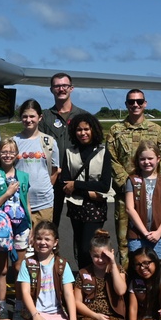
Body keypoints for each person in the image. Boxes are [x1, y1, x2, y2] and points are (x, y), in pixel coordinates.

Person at [106, 89, 161, 267]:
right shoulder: (116, 130)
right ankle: (127, 284)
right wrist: (129, 184)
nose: (135, 105)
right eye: (131, 102)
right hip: (125, 196)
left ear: (145, 103)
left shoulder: (156, 130)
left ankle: (155, 283)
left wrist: (156, 184)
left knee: (154, 239)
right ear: (126, 104)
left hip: (152, 196)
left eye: (139, 101)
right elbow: (111, 159)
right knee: (125, 242)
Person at [15, 221, 85, 320]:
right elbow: (25, 292)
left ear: (55, 242)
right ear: (33, 240)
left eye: (47, 239)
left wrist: (73, 319)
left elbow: (69, 294)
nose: (43, 242)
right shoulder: (27, 263)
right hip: (37, 312)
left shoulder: (62, 264)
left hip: (58, 313)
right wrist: (35, 315)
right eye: (39, 238)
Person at [0, 137, 31, 309]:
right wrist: (7, 193)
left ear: (17, 154)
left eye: (11, 151)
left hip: (21, 226)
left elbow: (26, 202)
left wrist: (30, 225)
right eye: (4, 151)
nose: (8, 155)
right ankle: (2, 304)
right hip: (0, 228)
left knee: (19, 268)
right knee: (2, 269)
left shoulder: (24, 176)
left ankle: (19, 303)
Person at [40, 73, 90, 230]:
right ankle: (52, 253)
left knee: (81, 225)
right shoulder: (45, 117)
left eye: (65, 86)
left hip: (77, 178)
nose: (61, 89)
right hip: (53, 178)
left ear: (71, 88)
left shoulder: (83, 115)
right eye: (57, 86)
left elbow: (91, 147)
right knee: (50, 224)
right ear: (51, 90)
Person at [62, 113, 111, 269]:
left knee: (89, 247)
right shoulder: (70, 152)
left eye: (86, 129)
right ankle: (84, 277)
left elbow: (104, 185)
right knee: (79, 246)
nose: (83, 133)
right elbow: (65, 182)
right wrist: (87, 189)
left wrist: (77, 185)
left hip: (95, 206)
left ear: (93, 130)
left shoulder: (103, 152)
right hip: (76, 206)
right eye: (79, 130)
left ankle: (97, 276)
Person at [73, 230, 128, 320]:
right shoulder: (84, 273)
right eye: (96, 256)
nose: (100, 260)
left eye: (104, 256)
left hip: (113, 316)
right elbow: (77, 302)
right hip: (91, 316)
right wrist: (95, 316)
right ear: (90, 254)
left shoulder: (118, 270)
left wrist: (113, 264)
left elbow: (121, 291)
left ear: (112, 253)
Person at [124, 140, 161, 260]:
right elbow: (129, 208)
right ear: (138, 160)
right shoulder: (132, 181)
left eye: (150, 158)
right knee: (138, 265)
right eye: (142, 159)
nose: (146, 162)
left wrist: (159, 232)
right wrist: (144, 232)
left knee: (155, 266)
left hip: (159, 236)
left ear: (158, 158)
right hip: (137, 235)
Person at [14, 99, 60, 227]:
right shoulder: (14, 142)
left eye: (32, 116)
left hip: (44, 203)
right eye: (25, 116)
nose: (28, 120)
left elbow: (55, 170)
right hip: (19, 202)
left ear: (40, 118)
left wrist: (45, 188)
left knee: (42, 243)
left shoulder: (49, 142)